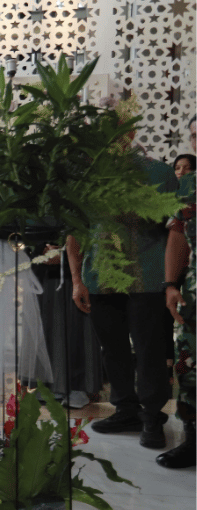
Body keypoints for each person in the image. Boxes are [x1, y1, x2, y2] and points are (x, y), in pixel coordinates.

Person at [68, 152, 178, 449]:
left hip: (149, 275)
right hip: (100, 275)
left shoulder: (158, 172)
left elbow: (176, 226)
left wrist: (173, 279)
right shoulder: (83, 175)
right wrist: (77, 280)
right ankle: (126, 410)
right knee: (112, 349)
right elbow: (74, 230)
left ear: (129, 132)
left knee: (149, 349)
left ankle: (153, 416)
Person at [159, 169, 195, 468]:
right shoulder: (190, 185)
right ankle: (192, 441)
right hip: (194, 296)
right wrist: (171, 284)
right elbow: (178, 233)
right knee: (189, 366)